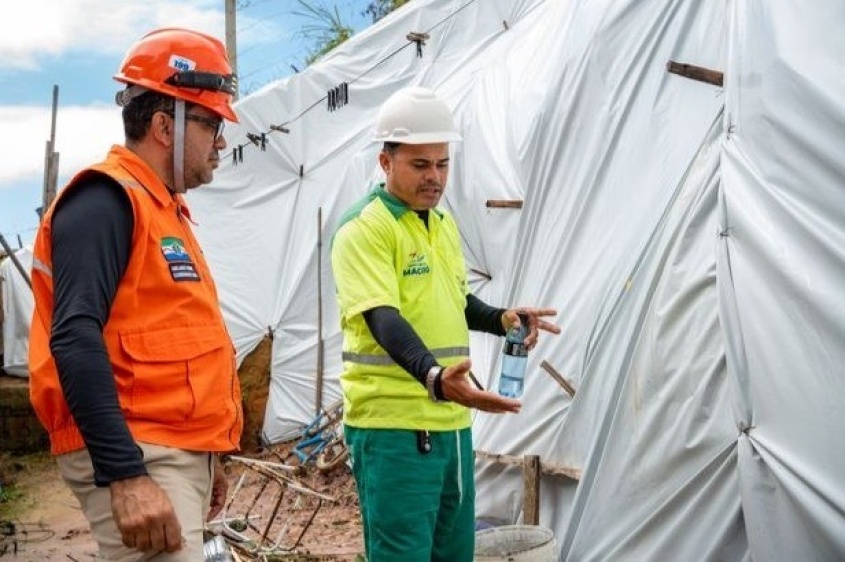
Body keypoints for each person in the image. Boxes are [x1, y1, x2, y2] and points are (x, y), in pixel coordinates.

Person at [28, 28, 243, 561]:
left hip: (168, 451)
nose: (221, 142)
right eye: (212, 123)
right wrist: (125, 473)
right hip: (139, 452)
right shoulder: (105, 200)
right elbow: (74, 336)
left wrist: (206, 455)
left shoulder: (162, 210)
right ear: (164, 126)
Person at [330, 86, 561, 562]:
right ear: (385, 162)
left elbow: (457, 301)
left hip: (452, 423)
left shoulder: (441, 224)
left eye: (442, 164)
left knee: (454, 553)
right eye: (420, 165)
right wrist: (435, 377)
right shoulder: (365, 228)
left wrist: (501, 319)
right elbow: (382, 318)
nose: (434, 177)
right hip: (393, 427)